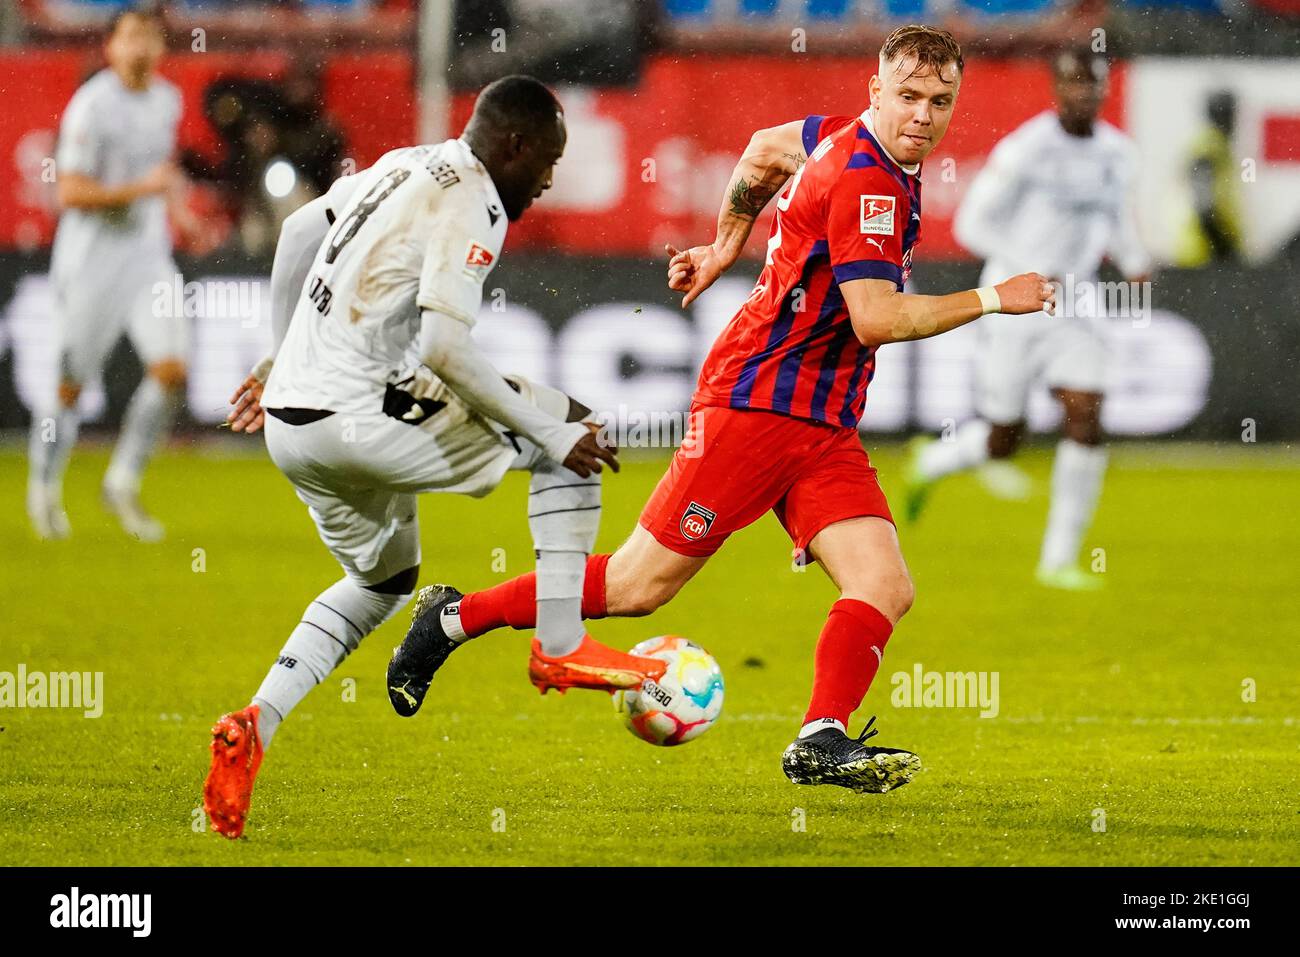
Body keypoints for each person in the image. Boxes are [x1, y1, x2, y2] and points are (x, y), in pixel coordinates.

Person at [389, 27, 1055, 794]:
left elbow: (766, 149)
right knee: (638, 586)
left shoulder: (840, 137)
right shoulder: (870, 180)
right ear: (875, 90)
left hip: (821, 420)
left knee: (883, 583)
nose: (923, 116)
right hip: (757, 405)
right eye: (907, 97)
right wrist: (994, 298)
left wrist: (723, 245)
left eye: (940, 102)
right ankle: (450, 617)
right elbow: (876, 318)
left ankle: (819, 737)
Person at [203, 75, 664, 840]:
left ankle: (254, 722)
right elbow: (445, 348)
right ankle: (560, 646)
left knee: (382, 579)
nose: (548, 181)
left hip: (293, 426)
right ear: (511, 146)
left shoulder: (400, 162)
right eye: (546, 161)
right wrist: (551, 437)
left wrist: (275, 358)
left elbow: (294, 238)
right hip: (359, 412)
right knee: (573, 429)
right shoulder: (474, 198)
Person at [905, 47, 1153, 591]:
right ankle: (935, 462)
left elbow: (1114, 215)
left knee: (1086, 415)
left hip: (1075, 307)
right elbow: (973, 225)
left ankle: (1058, 559)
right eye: (1072, 83)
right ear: (1056, 88)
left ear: (1105, 87)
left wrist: (1135, 261)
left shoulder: (1118, 153)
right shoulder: (1027, 150)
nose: (1082, 93)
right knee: (1004, 438)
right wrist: (1029, 270)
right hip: (1014, 303)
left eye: (1091, 84)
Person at [28, 8, 200, 542]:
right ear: (111, 48)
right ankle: (44, 487)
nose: (140, 47)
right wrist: (142, 191)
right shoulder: (92, 107)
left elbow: (159, 176)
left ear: (162, 48)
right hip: (91, 263)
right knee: (71, 386)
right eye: (129, 37)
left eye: (149, 37)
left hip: (147, 258)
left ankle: (122, 480)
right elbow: (70, 192)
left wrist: (182, 214)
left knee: (172, 371)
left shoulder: (168, 100)